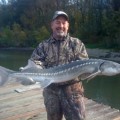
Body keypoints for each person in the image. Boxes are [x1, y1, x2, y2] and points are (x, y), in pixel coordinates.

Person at [30, 11, 88, 120]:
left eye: (64, 23)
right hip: (51, 92)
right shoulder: (43, 46)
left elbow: (84, 67)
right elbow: (36, 61)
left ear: (68, 26)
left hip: (73, 92)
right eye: (57, 22)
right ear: (52, 25)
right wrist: (33, 71)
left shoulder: (77, 44)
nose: (61, 26)